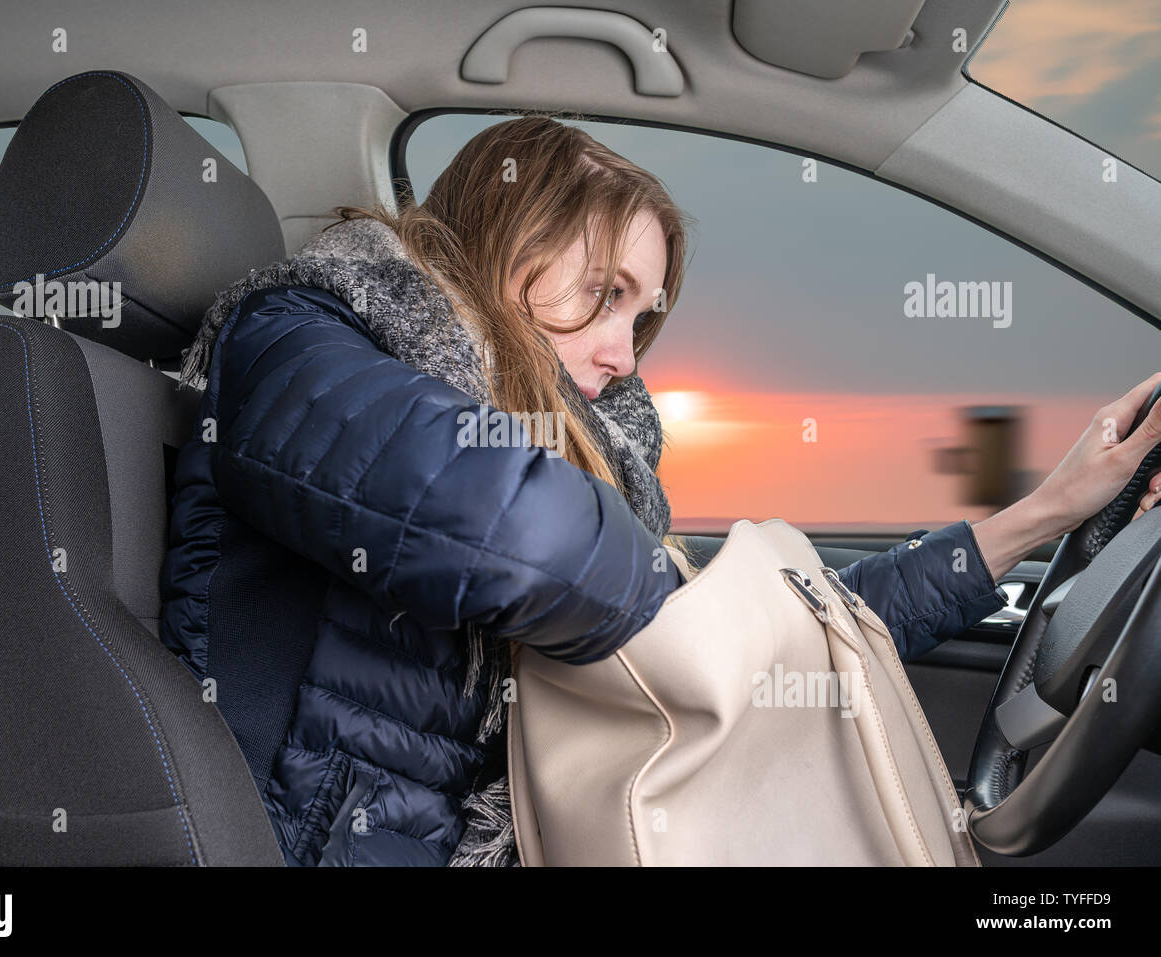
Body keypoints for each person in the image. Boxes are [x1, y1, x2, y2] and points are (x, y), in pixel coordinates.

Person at [159, 113, 1161, 867]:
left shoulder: (552, 443)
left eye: (642, 319)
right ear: (510, 236)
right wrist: (720, 638)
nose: (622, 354)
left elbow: (756, 630)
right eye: (606, 296)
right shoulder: (298, 336)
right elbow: (527, 539)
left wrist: (1047, 512)